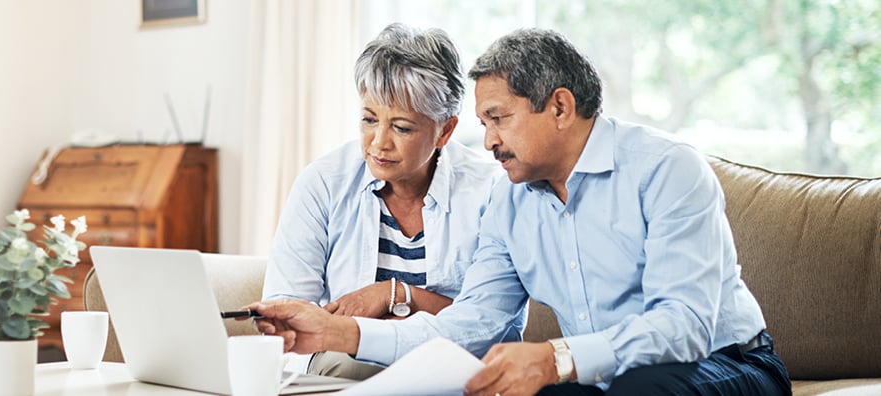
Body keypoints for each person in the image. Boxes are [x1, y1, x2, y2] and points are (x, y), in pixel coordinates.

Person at [249, 27, 792, 395]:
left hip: (727, 362)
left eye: (498, 119)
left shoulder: (667, 169)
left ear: (559, 106)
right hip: (607, 379)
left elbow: (685, 327)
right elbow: (472, 323)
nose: (486, 143)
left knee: (640, 389)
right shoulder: (508, 199)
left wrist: (555, 358)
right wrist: (336, 335)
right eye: (483, 123)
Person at [260, 23, 510, 380]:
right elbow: (287, 308)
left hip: (449, 372)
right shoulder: (323, 183)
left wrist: (394, 294)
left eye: (402, 127)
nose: (378, 143)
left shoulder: (489, 192)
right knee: (347, 365)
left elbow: (493, 325)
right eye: (368, 119)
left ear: (445, 130)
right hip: (342, 369)